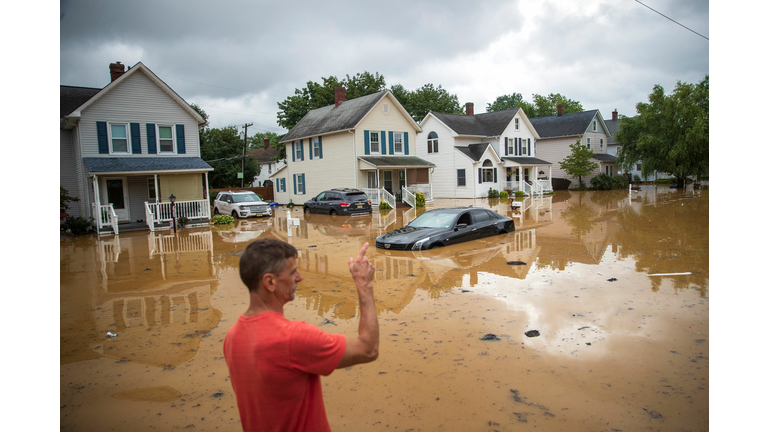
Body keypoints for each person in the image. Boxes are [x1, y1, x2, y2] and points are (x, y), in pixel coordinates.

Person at [223, 238, 378, 432]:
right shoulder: (294, 337)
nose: (300, 277)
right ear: (270, 282)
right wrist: (364, 286)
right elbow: (368, 349)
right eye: (292, 272)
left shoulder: (232, 336)